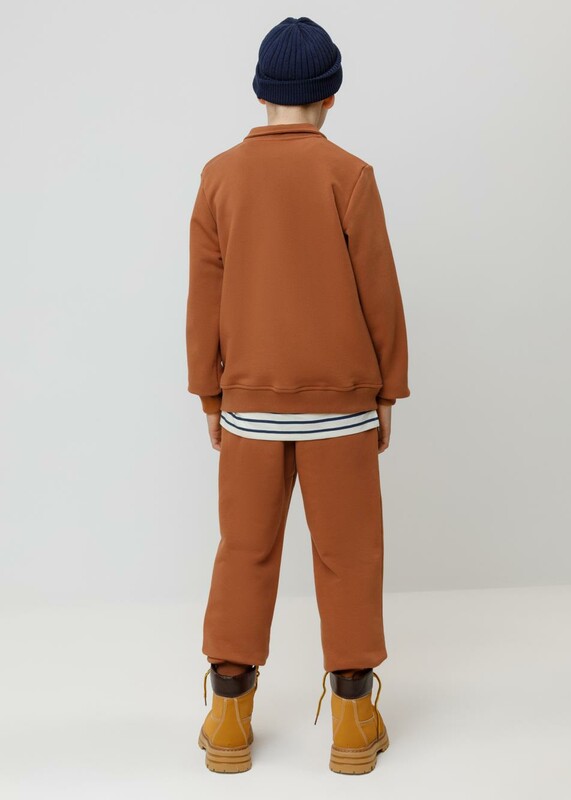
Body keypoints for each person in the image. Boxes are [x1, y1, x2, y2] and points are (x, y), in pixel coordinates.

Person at [186, 16, 410, 774]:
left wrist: (209, 393)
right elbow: (380, 291)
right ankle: (353, 720)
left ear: (261, 92)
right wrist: (388, 389)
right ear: (331, 95)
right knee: (350, 556)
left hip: (249, 404)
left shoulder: (219, 176)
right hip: (341, 406)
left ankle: (228, 718)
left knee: (244, 551)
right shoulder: (350, 175)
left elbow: (204, 296)